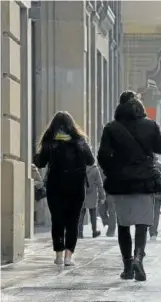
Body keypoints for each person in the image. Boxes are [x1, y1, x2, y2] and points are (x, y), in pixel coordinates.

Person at [98, 90, 161, 282]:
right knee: (142, 224)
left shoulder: (111, 128)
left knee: (123, 224)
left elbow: (102, 155)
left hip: (120, 183)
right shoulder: (150, 125)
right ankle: (138, 258)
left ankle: (127, 267)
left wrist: (112, 171)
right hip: (144, 182)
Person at [33, 111, 94, 266]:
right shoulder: (80, 141)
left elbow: (40, 163)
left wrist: (38, 154)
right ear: (71, 126)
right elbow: (91, 160)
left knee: (58, 221)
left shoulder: (49, 141)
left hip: (55, 186)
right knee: (73, 221)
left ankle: (59, 256)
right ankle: (68, 257)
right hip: (76, 186)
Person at [78, 163, 106, 238]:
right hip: (92, 194)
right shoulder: (94, 169)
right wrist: (102, 196)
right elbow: (100, 184)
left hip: (81, 194)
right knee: (93, 213)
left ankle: (79, 233)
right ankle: (94, 232)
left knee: (81, 213)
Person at [149, 154, 161, 240]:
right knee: (156, 213)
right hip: (158, 193)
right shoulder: (160, 165)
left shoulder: (144, 164)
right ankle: (153, 232)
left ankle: (147, 230)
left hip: (147, 193)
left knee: (146, 212)